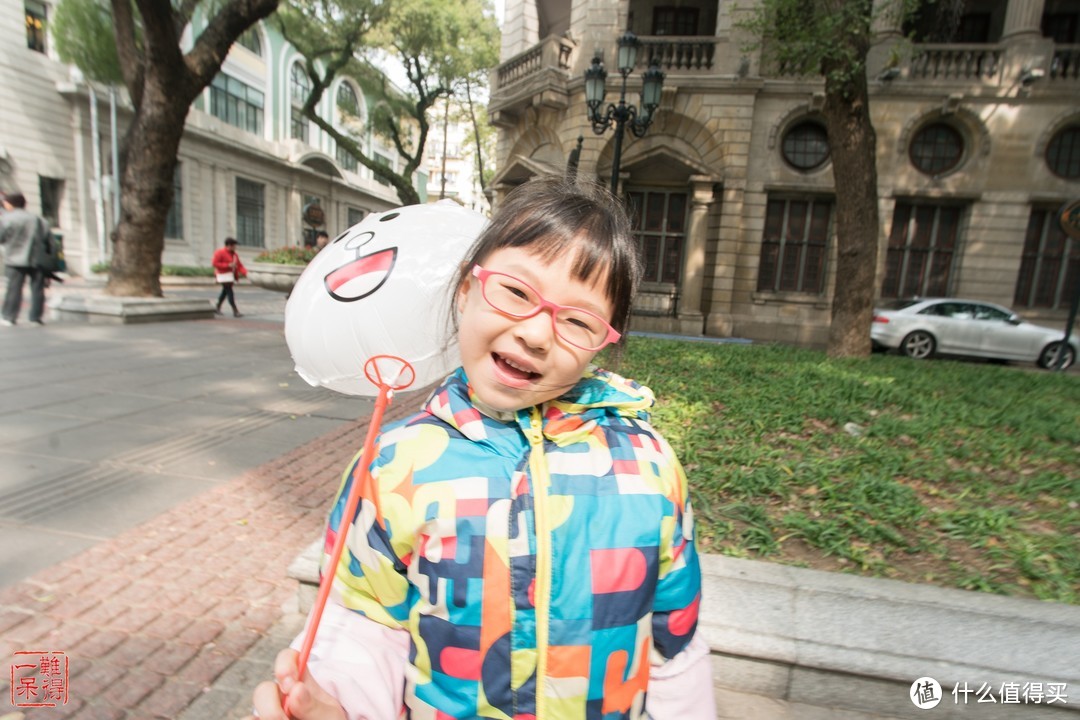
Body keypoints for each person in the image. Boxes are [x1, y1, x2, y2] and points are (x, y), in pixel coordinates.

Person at [248, 176, 714, 720]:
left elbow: (674, 644)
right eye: (515, 292)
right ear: (466, 290)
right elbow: (366, 625)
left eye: (579, 321)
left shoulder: (648, 468)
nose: (537, 334)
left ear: (603, 343)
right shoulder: (395, 466)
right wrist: (333, 706)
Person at [0, 192, 52, 326]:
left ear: (10, 204)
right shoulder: (38, 219)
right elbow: (48, 239)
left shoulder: (6, 219)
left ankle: (9, 316)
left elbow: (1, 237)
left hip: (15, 258)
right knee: (38, 288)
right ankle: (35, 317)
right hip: (38, 259)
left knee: (14, 288)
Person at [212, 237, 247, 317]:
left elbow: (239, 266)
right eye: (234, 246)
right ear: (229, 245)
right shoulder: (220, 252)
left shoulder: (234, 255)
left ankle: (217, 307)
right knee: (230, 292)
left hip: (230, 276)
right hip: (223, 276)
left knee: (225, 292)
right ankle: (235, 310)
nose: (235, 247)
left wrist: (246, 273)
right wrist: (227, 265)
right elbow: (215, 263)